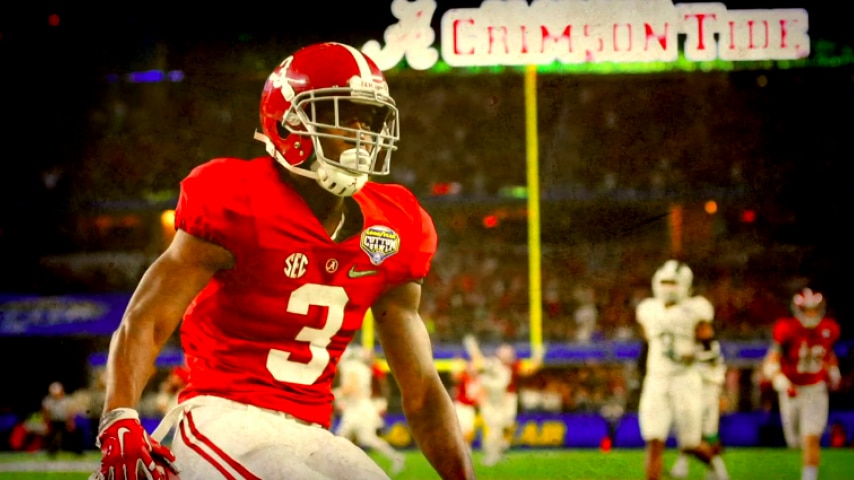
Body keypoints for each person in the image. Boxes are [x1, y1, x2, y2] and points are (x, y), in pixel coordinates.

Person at [90, 41, 474, 480]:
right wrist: (119, 417)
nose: (363, 135)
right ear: (290, 126)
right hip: (221, 415)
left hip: (312, 431)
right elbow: (147, 320)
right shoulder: (237, 198)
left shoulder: (394, 225)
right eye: (344, 116)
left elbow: (421, 389)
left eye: (369, 120)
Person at [636, 260, 729, 480]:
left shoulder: (696, 308)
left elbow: (709, 346)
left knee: (689, 443)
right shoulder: (648, 309)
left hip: (684, 378)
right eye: (665, 282)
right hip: (656, 379)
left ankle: (716, 466)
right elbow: (648, 341)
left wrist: (695, 355)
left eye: (673, 283)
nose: (668, 288)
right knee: (653, 440)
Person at [761, 287, 841, 480]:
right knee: (794, 441)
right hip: (792, 389)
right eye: (807, 310)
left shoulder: (829, 328)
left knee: (811, 438)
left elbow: (828, 354)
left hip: (815, 389)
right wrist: (777, 377)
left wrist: (833, 370)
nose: (811, 314)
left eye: (814, 310)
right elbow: (771, 360)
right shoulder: (786, 328)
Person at [462, 335, 543, 465]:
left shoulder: (513, 366)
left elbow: (529, 370)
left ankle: (498, 450)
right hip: (492, 400)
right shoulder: (494, 364)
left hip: (507, 399)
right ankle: (491, 454)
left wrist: (538, 356)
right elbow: (480, 362)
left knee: (504, 425)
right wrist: (473, 348)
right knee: (495, 428)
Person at [333, 345, 405, 475]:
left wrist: (333, 394)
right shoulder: (363, 368)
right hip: (361, 406)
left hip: (358, 409)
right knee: (364, 438)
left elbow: (351, 388)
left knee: (341, 438)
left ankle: (340, 469)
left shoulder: (351, 367)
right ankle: (395, 457)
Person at [670, 322, 730, 480]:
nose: (706, 332)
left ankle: (715, 469)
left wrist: (722, 395)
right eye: (702, 330)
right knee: (688, 433)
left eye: (708, 329)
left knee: (711, 434)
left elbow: (716, 368)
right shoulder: (689, 346)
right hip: (693, 394)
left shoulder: (714, 347)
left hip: (711, 393)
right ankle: (683, 464)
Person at [41, 381, 84, 456]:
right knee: (51, 433)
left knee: (77, 431)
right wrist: (47, 425)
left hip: (65, 422)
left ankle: (77, 451)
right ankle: (51, 451)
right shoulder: (47, 401)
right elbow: (46, 415)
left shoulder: (67, 400)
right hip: (53, 422)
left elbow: (71, 412)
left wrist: (70, 423)